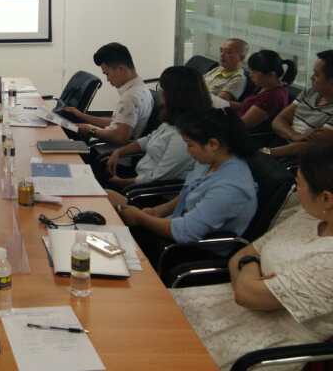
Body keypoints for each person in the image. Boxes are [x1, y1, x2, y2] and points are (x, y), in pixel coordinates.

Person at [171, 144, 333, 371]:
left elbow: (248, 294)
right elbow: (243, 254)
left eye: (299, 184)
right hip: (228, 303)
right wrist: (252, 268)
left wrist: (250, 271)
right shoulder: (309, 216)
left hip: (265, 345)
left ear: (326, 198)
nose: (296, 192)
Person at [108, 108, 258, 268]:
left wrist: (140, 218)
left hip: (190, 251)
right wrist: (157, 211)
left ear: (213, 144)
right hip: (176, 227)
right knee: (109, 199)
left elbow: (185, 232)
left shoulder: (231, 188)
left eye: (190, 145)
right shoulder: (211, 161)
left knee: (114, 234)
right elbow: (188, 193)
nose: (187, 151)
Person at [105, 66, 212, 189]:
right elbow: (148, 139)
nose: (160, 93)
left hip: (149, 191)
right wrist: (119, 152)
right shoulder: (174, 121)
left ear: (175, 95)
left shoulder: (185, 137)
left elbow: (159, 177)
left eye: (163, 89)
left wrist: (120, 182)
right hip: (139, 179)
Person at [65, 42, 154, 145]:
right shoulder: (141, 88)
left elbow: (119, 137)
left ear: (120, 69)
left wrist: (90, 130)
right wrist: (82, 116)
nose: (107, 79)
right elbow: (117, 122)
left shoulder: (130, 97)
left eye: (107, 73)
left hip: (110, 149)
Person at [268, 49, 333, 158]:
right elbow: (278, 121)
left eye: (317, 75)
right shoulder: (310, 91)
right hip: (278, 145)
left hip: (299, 160)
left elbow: (309, 146)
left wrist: (267, 152)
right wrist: (294, 135)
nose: (312, 77)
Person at [226, 50, 296, 130]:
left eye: (254, 72)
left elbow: (242, 125)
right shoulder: (264, 86)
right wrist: (222, 103)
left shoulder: (272, 97)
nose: (250, 74)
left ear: (271, 74)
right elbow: (246, 106)